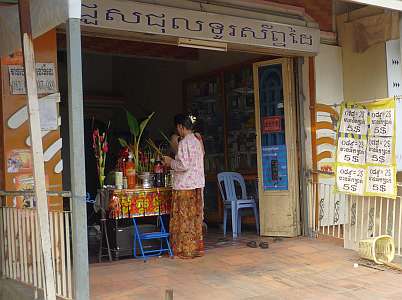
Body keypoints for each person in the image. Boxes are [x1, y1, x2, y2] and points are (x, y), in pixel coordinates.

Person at [163, 114, 205, 258]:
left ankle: (184, 250)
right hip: (197, 185)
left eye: (178, 128)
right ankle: (195, 249)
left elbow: (183, 165)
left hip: (184, 187)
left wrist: (170, 162)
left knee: (183, 218)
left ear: (181, 127)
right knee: (194, 218)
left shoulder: (184, 142)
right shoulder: (197, 141)